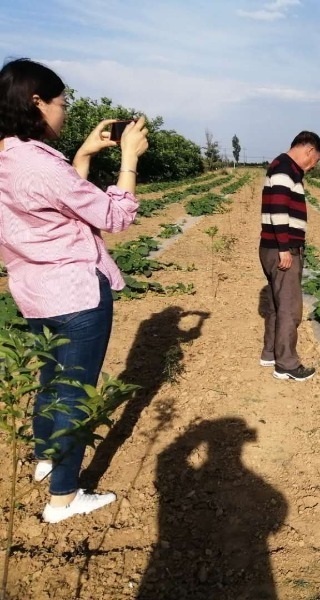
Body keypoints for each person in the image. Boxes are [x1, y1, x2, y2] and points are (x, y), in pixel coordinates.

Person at [0, 58, 149, 523]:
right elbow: (113, 217)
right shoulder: (42, 166)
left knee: (51, 381)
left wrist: (82, 157)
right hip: (77, 296)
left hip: (34, 293)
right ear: (36, 102)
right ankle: (65, 496)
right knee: (76, 395)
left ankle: (47, 458)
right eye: (61, 103)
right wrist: (128, 161)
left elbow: (57, 208)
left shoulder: (8, 157)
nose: (65, 111)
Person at [259, 130, 320, 381]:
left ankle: (270, 353)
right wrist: (285, 247)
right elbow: (278, 209)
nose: (313, 166)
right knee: (290, 308)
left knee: (277, 305)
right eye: (315, 160)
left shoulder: (282, 167)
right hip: (281, 249)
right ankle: (286, 364)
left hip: (272, 247)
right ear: (309, 150)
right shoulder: (285, 168)